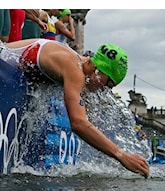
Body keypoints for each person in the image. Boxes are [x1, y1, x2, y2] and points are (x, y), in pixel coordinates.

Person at [0, 38, 150, 178]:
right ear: (99, 69)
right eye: (109, 84)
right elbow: (78, 123)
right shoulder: (75, 70)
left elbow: (88, 121)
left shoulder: (82, 68)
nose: (105, 90)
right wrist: (121, 155)